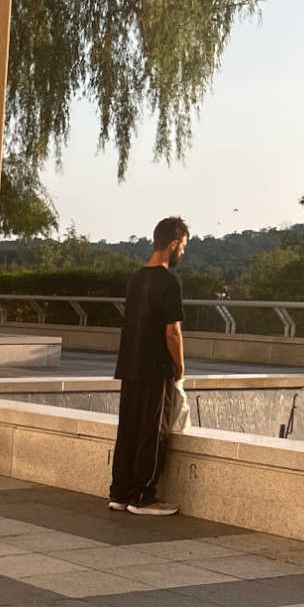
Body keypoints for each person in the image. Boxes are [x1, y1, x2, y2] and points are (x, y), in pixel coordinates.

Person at [109, 215, 188, 516]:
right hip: (155, 367)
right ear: (172, 244)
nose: (183, 253)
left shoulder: (136, 279)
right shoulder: (169, 281)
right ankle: (143, 497)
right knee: (152, 432)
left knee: (128, 428)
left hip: (129, 364)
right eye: (183, 247)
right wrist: (179, 365)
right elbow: (172, 331)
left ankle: (119, 493)